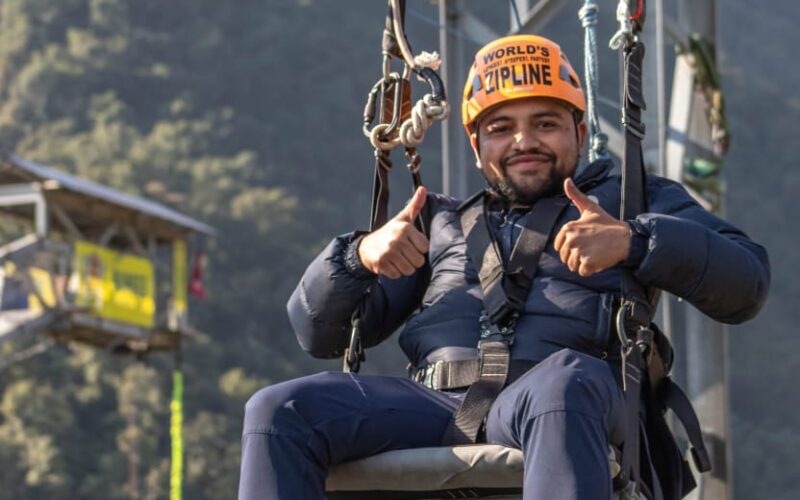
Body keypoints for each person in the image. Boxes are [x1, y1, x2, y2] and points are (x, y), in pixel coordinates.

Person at [239, 34, 769, 500]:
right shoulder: (437, 222)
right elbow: (318, 333)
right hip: (432, 402)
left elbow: (746, 283)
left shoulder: (631, 202)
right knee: (277, 410)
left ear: (579, 134)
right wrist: (357, 258)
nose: (523, 142)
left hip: (562, 400)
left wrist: (634, 242)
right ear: (476, 145)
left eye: (545, 123)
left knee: (564, 384)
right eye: (501, 127)